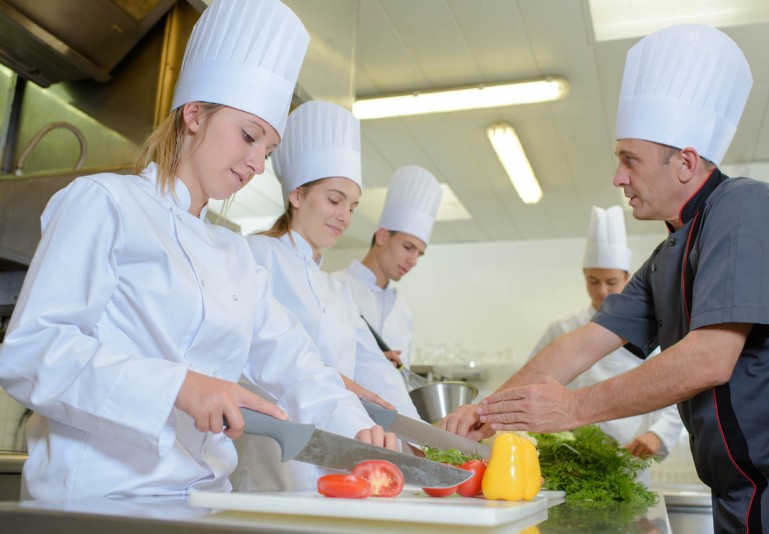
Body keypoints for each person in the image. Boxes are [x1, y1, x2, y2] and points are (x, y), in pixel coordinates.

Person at [0, 0, 391, 501]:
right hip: (97, 501)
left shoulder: (235, 255)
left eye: (267, 151)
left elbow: (295, 362)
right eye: (249, 137)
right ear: (193, 114)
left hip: (203, 500)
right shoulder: (105, 203)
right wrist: (179, 387)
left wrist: (356, 430)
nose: (255, 165)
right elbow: (32, 352)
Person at [442, 23, 769, 532]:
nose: (618, 178)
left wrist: (571, 408)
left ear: (685, 163)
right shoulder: (666, 255)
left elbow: (711, 357)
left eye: (629, 160)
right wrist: (490, 412)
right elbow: (581, 344)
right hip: (738, 487)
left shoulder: (747, 206)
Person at [233, 100, 421, 491]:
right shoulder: (255, 256)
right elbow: (253, 355)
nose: (344, 216)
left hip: (344, 452)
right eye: (335, 200)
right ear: (297, 195)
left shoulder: (337, 291)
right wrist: (344, 390)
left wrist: (420, 440)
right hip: (272, 458)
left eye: (352, 206)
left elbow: (376, 373)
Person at [530, 205, 683, 474]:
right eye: (593, 281)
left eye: (611, 282)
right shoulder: (563, 327)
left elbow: (670, 388)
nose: (602, 291)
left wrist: (658, 434)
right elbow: (534, 379)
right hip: (569, 453)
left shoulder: (648, 330)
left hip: (629, 454)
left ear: (628, 278)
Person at [332, 166, 442, 368]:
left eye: (419, 253)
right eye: (408, 247)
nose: (413, 261)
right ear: (382, 236)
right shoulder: (333, 287)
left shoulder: (403, 310)